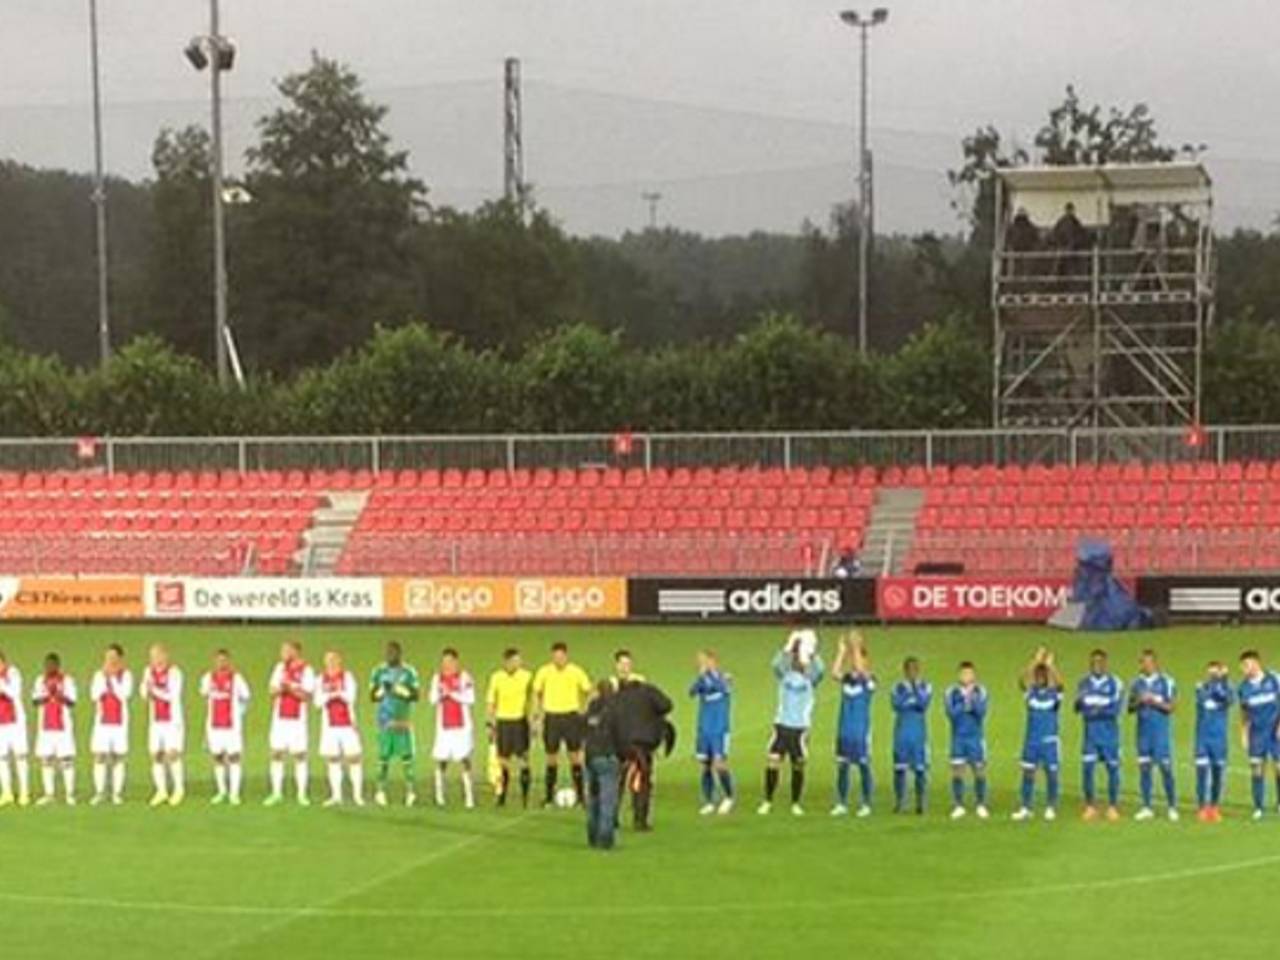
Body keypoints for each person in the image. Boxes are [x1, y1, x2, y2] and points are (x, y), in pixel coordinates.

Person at [757, 632, 824, 816]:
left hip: (800, 728)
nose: (797, 661)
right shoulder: (785, 676)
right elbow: (775, 664)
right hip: (781, 726)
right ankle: (767, 801)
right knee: (773, 762)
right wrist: (788, 647)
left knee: (798, 765)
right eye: (795, 658)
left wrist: (811, 652)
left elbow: (821, 670)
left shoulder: (811, 680)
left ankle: (795, 802)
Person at [533, 642, 592, 807]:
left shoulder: (576, 671)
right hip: (552, 717)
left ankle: (581, 796)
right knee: (551, 758)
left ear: (566, 656)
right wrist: (537, 715)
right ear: (552, 656)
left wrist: (584, 710)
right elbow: (537, 693)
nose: (558, 660)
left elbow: (588, 690)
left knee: (575, 757)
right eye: (555, 657)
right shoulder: (544, 672)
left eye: (561, 656)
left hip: (571, 717)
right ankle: (549, 796)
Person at [613, 674, 674, 831]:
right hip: (642, 745)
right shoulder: (649, 692)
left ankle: (611, 817)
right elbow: (667, 705)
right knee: (642, 783)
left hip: (620, 745)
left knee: (616, 782)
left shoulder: (618, 696)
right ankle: (640, 820)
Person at [1012, 648, 1063, 822]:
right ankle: (1026, 807)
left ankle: (1051, 806)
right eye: (1038, 674)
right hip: (1031, 740)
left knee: (1051, 774)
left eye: (1043, 675)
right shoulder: (1031, 693)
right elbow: (1020, 681)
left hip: (1049, 741)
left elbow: (1061, 684)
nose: (1040, 677)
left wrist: (1051, 666)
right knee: (1028, 773)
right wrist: (1034, 661)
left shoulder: (1054, 694)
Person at [265, 639, 316, 807]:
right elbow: (271, 691)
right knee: (276, 753)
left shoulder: (307, 670)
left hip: (297, 720)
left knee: (299, 755)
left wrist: (291, 689)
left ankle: (302, 794)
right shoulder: (279, 668)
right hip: (279, 719)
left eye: (286, 650)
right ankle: (276, 792)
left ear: (295, 652)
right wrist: (282, 689)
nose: (282, 653)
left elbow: (307, 696)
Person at [1075, 649, 1124, 821]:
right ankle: (1090, 806)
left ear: (1105, 663)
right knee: (1087, 769)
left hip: (1109, 736)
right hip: (1090, 736)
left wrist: (1093, 710)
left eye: (1099, 662)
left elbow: (1115, 710)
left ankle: (1112, 806)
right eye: (1093, 662)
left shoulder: (1115, 683)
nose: (1096, 665)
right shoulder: (1083, 683)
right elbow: (1079, 708)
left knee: (1113, 770)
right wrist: (1088, 706)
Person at [370, 641, 420, 807]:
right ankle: (380, 791)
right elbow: (372, 696)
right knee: (383, 758)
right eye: (388, 652)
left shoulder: (409, 672)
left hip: (402, 721)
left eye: (393, 653)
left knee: (407, 758)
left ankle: (411, 792)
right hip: (384, 722)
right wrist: (383, 690)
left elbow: (415, 695)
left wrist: (398, 689)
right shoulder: (378, 671)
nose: (390, 655)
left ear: (399, 654)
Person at [1129, 649, 1178, 821]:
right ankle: (1146, 806)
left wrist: (1154, 701)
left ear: (1155, 663)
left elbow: (1171, 708)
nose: (1146, 665)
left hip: (1160, 734)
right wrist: (1139, 701)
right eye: (1143, 662)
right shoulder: (1136, 684)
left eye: (1149, 662)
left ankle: (1172, 806)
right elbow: (1129, 708)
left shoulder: (1167, 682)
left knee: (1165, 768)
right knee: (1144, 769)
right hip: (1143, 734)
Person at [831, 632, 876, 817]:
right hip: (844, 730)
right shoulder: (848, 679)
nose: (856, 664)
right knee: (843, 766)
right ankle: (841, 803)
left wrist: (856, 646)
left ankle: (866, 803)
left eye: (860, 661)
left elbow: (861, 670)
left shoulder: (870, 681)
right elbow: (834, 673)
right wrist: (842, 652)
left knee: (863, 766)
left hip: (861, 731)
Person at [200, 648, 250, 805]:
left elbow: (246, 697)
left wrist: (239, 714)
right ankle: (221, 791)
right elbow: (204, 695)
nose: (221, 663)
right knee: (218, 758)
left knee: (234, 757)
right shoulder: (208, 678)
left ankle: (234, 793)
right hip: (214, 725)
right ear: (215, 662)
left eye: (224, 660)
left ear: (229, 661)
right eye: (218, 660)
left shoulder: (237, 678)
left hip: (232, 726)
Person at [139, 643, 185, 807]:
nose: (155, 659)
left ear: (165, 656)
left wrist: (154, 691)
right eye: (152, 656)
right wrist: (147, 691)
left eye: (158, 655)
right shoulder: (148, 672)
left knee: (172, 754)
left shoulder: (174, 672)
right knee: (156, 755)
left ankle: (178, 789)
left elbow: (172, 695)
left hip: (172, 721)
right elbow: (144, 692)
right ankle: (161, 790)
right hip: (155, 721)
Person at [429, 648, 476, 809]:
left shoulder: (464, 677)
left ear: (456, 662)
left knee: (465, 760)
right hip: (444, 727)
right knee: (442, 760)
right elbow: (432, 699)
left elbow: (470, 698)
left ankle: (469, 796)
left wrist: (452, 693)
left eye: (450, 661)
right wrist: (442, 694)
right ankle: (439, 795)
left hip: (462, 727)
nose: (446, 665)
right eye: (444, 662)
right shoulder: (437, 678)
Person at [486, 647, 533, 808]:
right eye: (515, 661)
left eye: (519, 660)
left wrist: (533, 721)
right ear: (506, 662)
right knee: (503, 761)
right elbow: (491, 702)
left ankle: (525, 797)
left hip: (520, 722)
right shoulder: (496, 678)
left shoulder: (527, 676)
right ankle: (502, 796)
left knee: (524, 760)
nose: (518, 663)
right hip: (503, 722)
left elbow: (530, 699)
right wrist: (490, 724)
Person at [689, 649, 735, 815]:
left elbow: (722, 687)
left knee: (719, 763)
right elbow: (691, 692)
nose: (701, 664)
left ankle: (729, 797)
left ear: (713, 661)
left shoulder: (724, 678)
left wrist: (706, 678)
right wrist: (700, 678)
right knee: (706, 765)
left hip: (720, 729)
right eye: (699, 661)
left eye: (704, 661)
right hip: (704, 729)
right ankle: (709, 801)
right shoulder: (702, 680)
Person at [316, 650, 363, 807]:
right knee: (333, 759)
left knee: (354, 758)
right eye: (328, 660)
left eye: (333, 659)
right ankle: (336, 795)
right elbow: (317, 701)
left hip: (348, 724)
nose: (331, 663)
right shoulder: (320, 679)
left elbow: (351, 696)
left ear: (339, 661)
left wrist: (336, 693)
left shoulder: (347, 677)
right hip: (329, 726)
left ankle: (357, 795)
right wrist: (331, 695)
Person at [1236, 650, 1280, 820]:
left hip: (1275, 732)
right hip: (1256, 734)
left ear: (1256, 663)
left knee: (1279, 767)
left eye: (1246, 665)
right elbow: (1244, 712)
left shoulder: (1274, 679)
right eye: (1242, 666)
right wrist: (1244, 733)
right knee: (1257, 770)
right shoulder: (1243, 688)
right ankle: (1258, 807)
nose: (1243, 669)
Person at [88, 644, 133, 806]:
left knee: (117, 757)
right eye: (108, 657)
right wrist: (104, 679)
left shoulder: (126, 676)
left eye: (113, 657)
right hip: (102, 723)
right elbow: (94, 695)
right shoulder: (98, 675)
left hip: (120, 723)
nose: (110, 661)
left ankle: (116, 793)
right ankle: (99, 792)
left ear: (120, 659)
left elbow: (124, 694)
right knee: (100, 756)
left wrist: (112, 679)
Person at [583, 680, 627, 850]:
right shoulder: (617, 709)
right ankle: (606, 839)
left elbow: (583, 729)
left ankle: (592, 837)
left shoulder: (591, 708)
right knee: (608, 800)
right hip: (608, 756)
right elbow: (621, 734)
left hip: (591, 757)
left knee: (593, 798)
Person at [944, 661, 990, 820]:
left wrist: (971, 699)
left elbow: (981, 712)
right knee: (957, 772)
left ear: (974, 675)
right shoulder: (951, 692)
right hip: (958, 737)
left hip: (975, 738)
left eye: (969, 673)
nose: (966, 676)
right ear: (959, 675)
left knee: (979, 771)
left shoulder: (981, 691)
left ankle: (981, 804)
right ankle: (958, 805)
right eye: (963, 673)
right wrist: (964, 702)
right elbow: (951, 714)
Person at [32, 652, 77, 806]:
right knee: (46, 760)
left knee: (66, 760)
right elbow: (35, 701)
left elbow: (72, 702)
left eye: (52, 665)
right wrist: (47, 694)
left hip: (63, 727)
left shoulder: (67, 680)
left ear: (58, 666)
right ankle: (49, 794)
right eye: (47, 665)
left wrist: (59, 693)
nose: (49, 668)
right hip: (45, 727)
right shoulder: (40, 681)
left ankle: (69, 794)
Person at [890, 656, 931, 815]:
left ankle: (920, 803)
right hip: (901, 733)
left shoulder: (925, 686)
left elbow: (923, 704)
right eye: (910, 670)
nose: (913, 673)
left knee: (920, 770)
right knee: (900, 769)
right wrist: (910, 700)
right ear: (905, 671)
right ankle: (900, 802)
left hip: (919, 735)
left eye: (915, 669)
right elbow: (897, 705)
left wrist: (912, 693)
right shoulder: (898, 687)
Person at [1194, 661, 1233, 822]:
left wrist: (1224, 679)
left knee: (1217, 772)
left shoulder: (1227, 688)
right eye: (1210, 672)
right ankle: (1202, 807)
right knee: (1201, 772)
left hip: (1219, 738)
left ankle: (1214, 807)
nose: (1212, 675)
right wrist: (1218, 681)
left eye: (1215, 672)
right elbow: (1203, 699)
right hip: (1202, 737)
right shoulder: (1201, 688)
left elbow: (1227, 699)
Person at [0, 650, 31, 807]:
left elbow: (14, 692)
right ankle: (7, 792)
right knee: (2, 758)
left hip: (16, 722)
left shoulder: (13, 673)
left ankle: (24, 792)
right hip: (1, 723)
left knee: (20, 757)